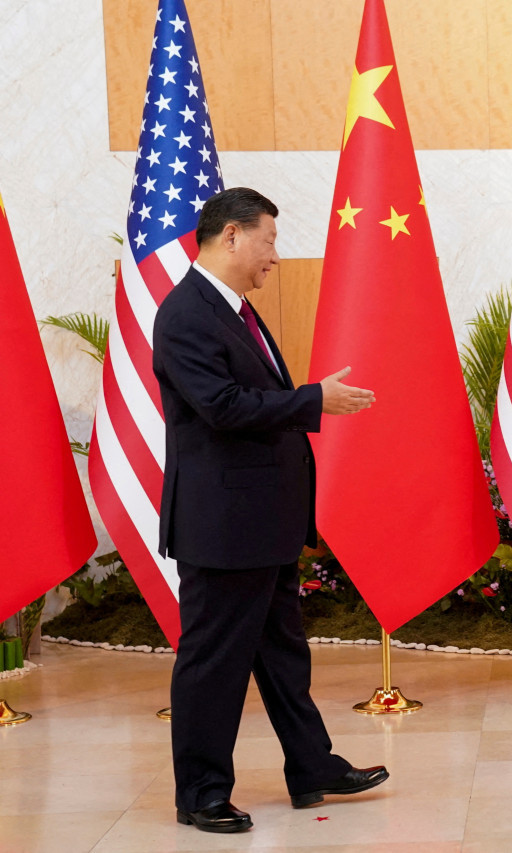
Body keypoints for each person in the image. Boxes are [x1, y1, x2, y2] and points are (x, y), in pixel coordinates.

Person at [154, 187, 388, 833]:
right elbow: (224, 406)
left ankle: (312, 766)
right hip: (223, 526)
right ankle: (200, 791)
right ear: (231, 236)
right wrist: (314, 399)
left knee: (282, 652)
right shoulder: (186, 314)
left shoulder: (230, 311)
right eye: (269, 240)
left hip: (262, 522)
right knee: (213, 661)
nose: (274, 256)